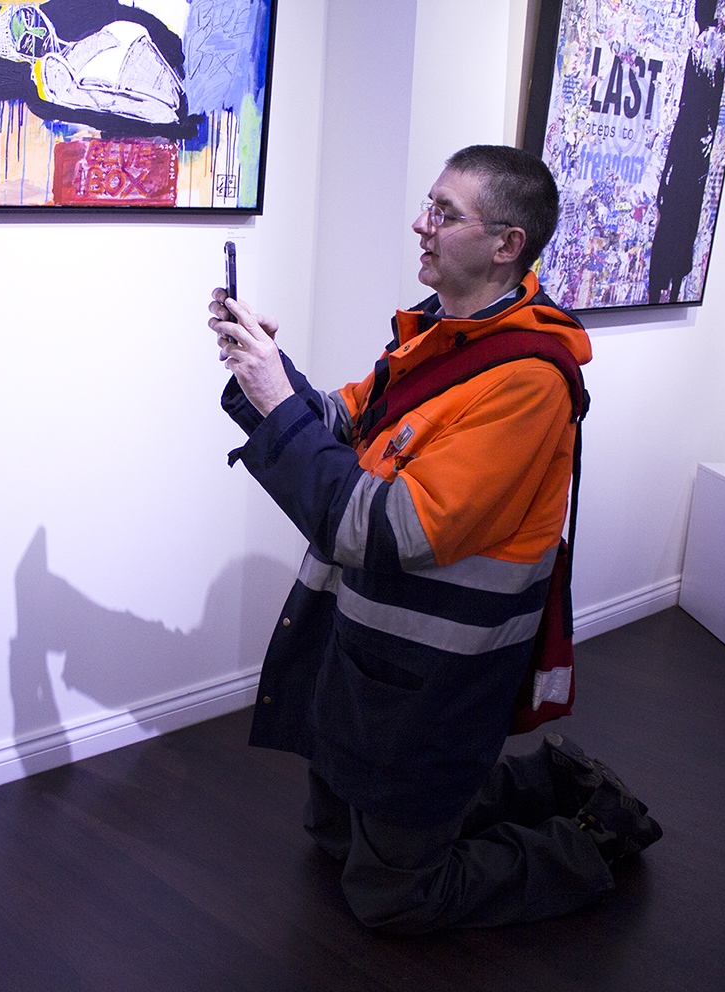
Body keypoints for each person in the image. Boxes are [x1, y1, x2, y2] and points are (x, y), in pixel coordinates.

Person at [208, 144, 661, 931]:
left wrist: (279, 404)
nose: (421, 224)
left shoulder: (525, 380)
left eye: (445, 213)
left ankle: (591, 839)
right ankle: (546, 781)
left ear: (505, 243)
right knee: (329, 835)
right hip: (366, 651)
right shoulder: (436, 336)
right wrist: (265, 374)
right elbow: (343, 422)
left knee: (392, 896)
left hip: (438, 677)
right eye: (429, 204)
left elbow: (384, 529)